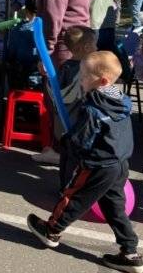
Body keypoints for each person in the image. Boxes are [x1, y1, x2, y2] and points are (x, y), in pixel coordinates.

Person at [27, 51, 143, 273]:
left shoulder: (93, 109)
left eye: (83, 76)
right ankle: (130, 252)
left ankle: (51, 231)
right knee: (115, 209)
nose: (80, 79)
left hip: (98, 164)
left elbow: (83, 140)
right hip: (119, 164)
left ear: (102, 81)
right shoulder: (121, 100)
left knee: (74, 198)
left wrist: (66, 142)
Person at [55, 26, 97, 184]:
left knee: (66, 155)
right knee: (76, 157)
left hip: (65, 121)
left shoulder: (65, 67)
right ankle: (72, 187)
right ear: (86, 48)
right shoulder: (86, 70)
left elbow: (58, 92)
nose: (97, 48)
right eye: (95, 45)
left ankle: (64, 186)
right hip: (80, 122)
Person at [6, 0, 40, 91]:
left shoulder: (17, 30)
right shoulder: (48, 31)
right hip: (41, 83)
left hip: (20, 82)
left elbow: (10, 55)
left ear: (26, 10)